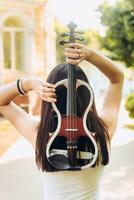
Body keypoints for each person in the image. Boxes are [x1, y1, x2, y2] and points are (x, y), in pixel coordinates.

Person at [0, 43, 124, 200]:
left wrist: (28, 83)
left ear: (50, 98)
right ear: (86, 94)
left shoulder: (41, 134)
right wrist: (90, 55)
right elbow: (117, 78)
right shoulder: (102, 130)